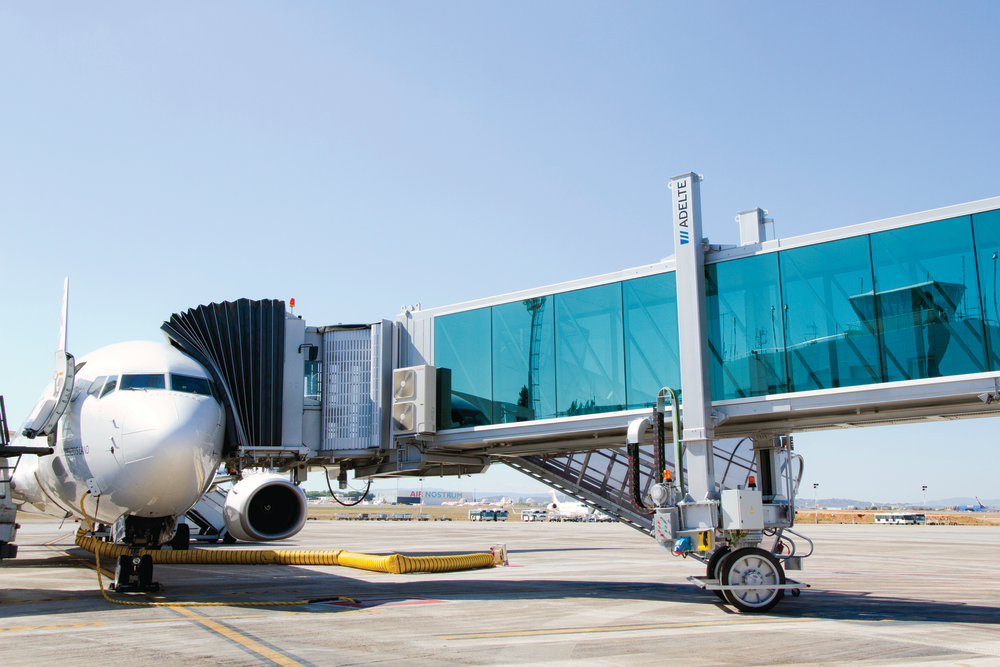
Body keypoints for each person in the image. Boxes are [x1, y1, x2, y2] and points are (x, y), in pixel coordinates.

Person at [924, 291, 950, 377]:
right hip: (937, 341)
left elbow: (930, 319)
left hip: (938, 341)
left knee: (932, 366)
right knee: (933, 365)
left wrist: (923, 323)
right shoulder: (934, 309)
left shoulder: (934, 309)